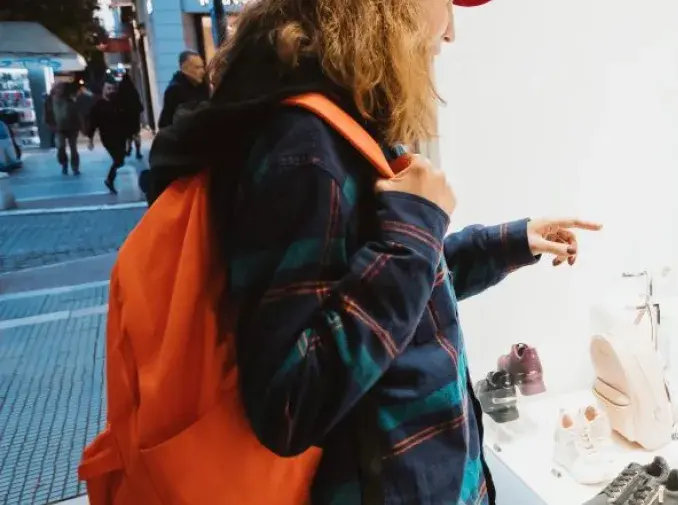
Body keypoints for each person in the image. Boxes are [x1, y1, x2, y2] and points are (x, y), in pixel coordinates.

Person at [143, 0, 599, 502]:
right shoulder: (305, 150)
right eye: (446, 3)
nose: (450, 34)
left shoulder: (336, 126)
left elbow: (393, 292)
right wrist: (414, 231)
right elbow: (289, 404)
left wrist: (506, 242)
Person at [83, 81, 132, 194]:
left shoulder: (119, 103)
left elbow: (127, 120)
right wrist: (90, 140)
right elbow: (93, 124)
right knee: (118, 159)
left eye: (113, 89)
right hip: (108, 137)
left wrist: (131, 135)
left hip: (121, 136)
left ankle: (110, 180)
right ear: (103, 90)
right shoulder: (98, 106)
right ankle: (109, 180)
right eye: (108, 89)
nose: (111, 91)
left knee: (121, 160)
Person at [156, 51, 209, 128]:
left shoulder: (202, 84)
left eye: (202, 67)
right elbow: (165, 123)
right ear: (184, 68)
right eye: (197, 67)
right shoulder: (174, 90)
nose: (202, 71)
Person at [43, 82, 83, 175]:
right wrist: (50, 125)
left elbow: (76, 114)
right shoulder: (49, 101)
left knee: (73, 149)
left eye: (61, 88)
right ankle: (64, 164)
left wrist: (79, 126)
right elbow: (46, 115)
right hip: (58, 128)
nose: (59, 90)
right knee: (61, 148)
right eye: (57, 88)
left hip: (72, 128)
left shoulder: (70, 100)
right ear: (53, 89)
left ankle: (75, 168)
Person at [116, 76, 145, 159]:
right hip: (134, 117)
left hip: (125, 117)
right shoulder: (133, 91)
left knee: (127, 135)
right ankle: (138, 151)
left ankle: (128, 149)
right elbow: (139, 104)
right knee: (136, 134)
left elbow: (118, 104)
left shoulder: (121, 91)